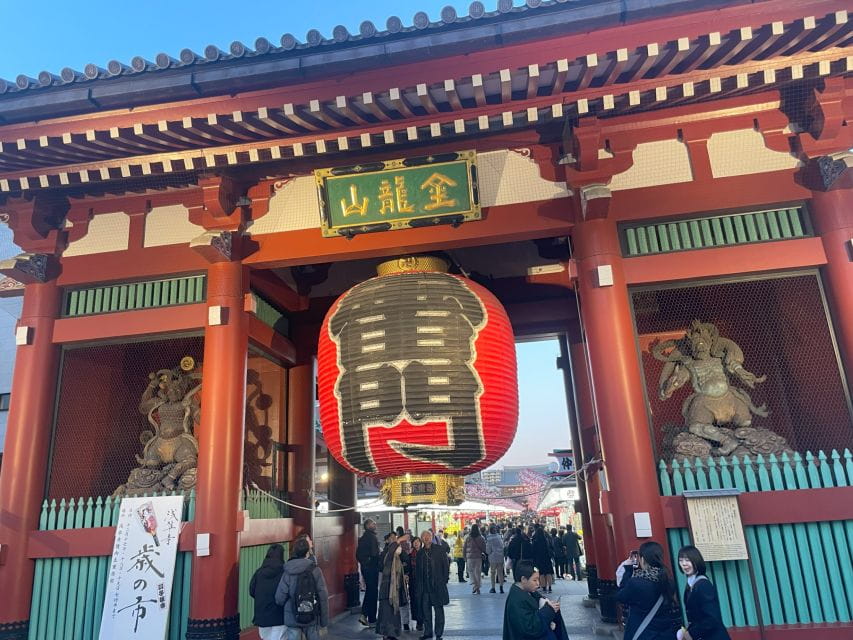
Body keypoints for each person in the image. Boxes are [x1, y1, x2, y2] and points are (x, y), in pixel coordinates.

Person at [616, 541, 680, 640]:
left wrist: (628, 570)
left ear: (642, 559)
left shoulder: (636, 583)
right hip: (664, 634)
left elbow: (621, 596)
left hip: (642, 634)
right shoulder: (668, 581)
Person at [274, 537, 329, 640]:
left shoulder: (288, 570)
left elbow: (279, 597)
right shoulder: (315, 570)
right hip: (311, 614)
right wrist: (324, 621)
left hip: (292, 616)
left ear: (294, 551)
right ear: (307, 553)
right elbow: (323, 596)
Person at [502, 561, 569, 640]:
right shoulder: (516, 601)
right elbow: (530, 628)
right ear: (523, 579)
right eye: (534, 580)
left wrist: (550, 606)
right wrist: (548, 610)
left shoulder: (529, 592)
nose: (538, 583)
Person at [677, 546, 731, 640]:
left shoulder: (703, 584)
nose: (684, 564)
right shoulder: (690, 584)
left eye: (687, 560)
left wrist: (692, 633)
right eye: (681, 560)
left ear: (696, 560)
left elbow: (713, 618)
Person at [415, 530, 450, 640]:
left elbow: (446, 566)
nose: (426, 538)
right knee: (426, 611)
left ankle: (438, 633)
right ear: (421, 539)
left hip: (437, 586)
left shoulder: (439, 550)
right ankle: (428, 632)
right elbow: (417, 571)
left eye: (428, 536)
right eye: (423, 536)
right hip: (424, 587)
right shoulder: (420, 553)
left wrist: (443, 580)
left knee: (438, 610)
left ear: (431, 537)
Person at [377, 532, 410, 640]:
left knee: (394, 612)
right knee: (387, 612)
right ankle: (387, 633)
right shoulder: (386, 554)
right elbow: (391, 551)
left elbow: (406, 559)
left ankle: (392, 633)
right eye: (392, 539)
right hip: (387, 589)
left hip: (394, 589)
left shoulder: (397, 558)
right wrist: (399, 540)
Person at [249, 544, 286, 640]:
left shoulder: (259, 572)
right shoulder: (284, 572)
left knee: (265, 637)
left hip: (262, 614)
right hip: (279, 614)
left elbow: (251, 591)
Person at [357, 519, 381, 627]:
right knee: (373, 592)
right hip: (372, 568)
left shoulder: (362, 538)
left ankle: (364, 614)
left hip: (365, 568)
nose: (375, 524)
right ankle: (372, 619)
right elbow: (375, 554)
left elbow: (357, 554)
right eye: (373, 523)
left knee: (370, 591)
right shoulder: (372, 537)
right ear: (367, 526)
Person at [464, 524, 488, 594]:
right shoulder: (481, 538)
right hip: (478, 557)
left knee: (471, 572)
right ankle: (477, 586)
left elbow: (464, 548)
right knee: (477, 572)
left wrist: (464, 556)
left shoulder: (468, 538)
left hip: (470, 557)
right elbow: (484, 548)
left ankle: (475, 586)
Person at [531, 524, 554, 593]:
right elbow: (551, 548)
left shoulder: (535, 541)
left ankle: (544, 587)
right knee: (548, 572)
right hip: (547, 558)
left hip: (539, 558)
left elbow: (533, 551)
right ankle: (549, 587)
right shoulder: (546, 540)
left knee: (541, 573)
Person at [408, 537, 424, 632]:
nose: (416, 543)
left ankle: (422, 621)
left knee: (422, 601)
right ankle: (418, 621)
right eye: (414, 542)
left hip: (423, 582)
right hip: (413, 582)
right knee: (415, 601)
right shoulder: (410, 555)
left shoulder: (425, 554)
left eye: (418, 542)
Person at [486, 524, 506, 594]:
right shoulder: (499, 537)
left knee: (492, 573)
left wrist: (489, 553)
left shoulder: (489, 539)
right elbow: (502, 546)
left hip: (493, 558)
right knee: (500, 573)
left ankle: (493, 588)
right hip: (500, 557)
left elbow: (488, 550)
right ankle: (501, 587)